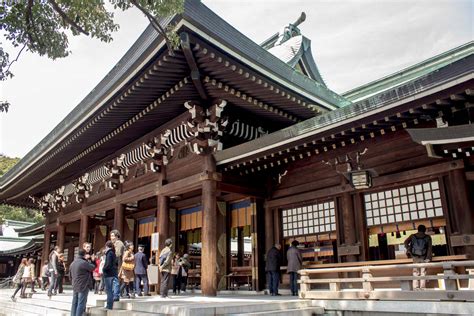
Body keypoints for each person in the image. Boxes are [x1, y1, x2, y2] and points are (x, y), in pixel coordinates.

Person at [404, 224, 433, 290]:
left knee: (415, 272)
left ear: (418, 229)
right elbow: (429, 248)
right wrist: (428, 258)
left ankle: (415, 287)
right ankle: (422, 287)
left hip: (415, 257)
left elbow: (405, 242)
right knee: (423, 273)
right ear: (425, 230)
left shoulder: (412, 236)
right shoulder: (428, 237)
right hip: (424, 257)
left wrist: (409, 249)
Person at [69, 249, 95, 316]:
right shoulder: (83, 263)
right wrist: (92, 260)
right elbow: (92, 268)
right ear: (84, 254)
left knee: (74, 302)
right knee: (81, 303)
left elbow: (70, 275)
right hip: (83, 285)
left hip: (75, 284)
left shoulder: (72, 263)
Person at [103, 240, 118, 310]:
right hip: (113, 273)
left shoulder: (109, 253)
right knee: (110, 290)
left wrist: (104, 269)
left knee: (109, 290)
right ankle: (110, 305)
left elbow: (108, 264)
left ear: (106, 246)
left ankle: (109, 305)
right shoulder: (113, 253)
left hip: (108, 274)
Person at [110, 230, 124, 302]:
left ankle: (116, 295)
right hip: (113, 264)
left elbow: (117, 254)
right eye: (111, 236)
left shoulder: (119, 243)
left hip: (117, 264)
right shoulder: (113, 244)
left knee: (115, 280)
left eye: (113, 236)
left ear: (117, 236)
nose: (111, 237)